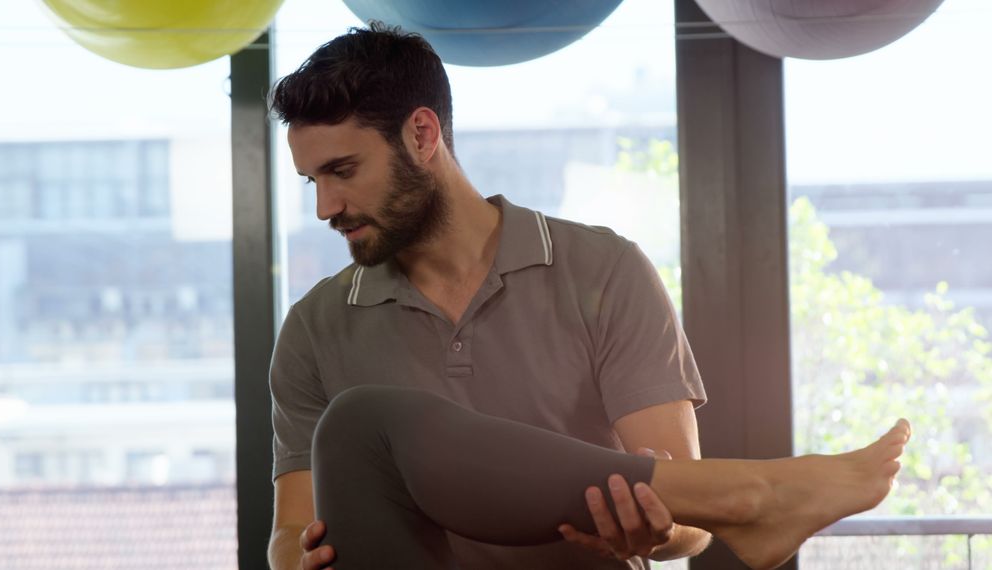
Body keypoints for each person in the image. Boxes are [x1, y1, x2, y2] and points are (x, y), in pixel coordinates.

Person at [263, 23, 905, 570]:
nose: (325, 207)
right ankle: (753, 495)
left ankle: (746, 498)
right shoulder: (314, 328)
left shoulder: (602, 268)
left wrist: (656, 531)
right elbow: (290, 531)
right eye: (311, 180)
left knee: (358, 420)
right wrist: (298, 556)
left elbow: (688, 527)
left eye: (342, 171)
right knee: (359, 424)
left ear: (423, 136)